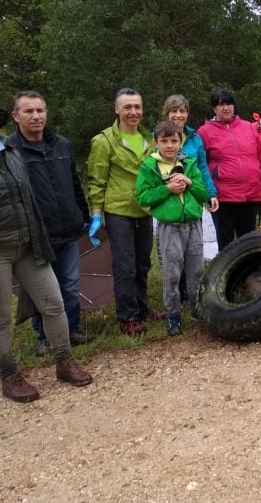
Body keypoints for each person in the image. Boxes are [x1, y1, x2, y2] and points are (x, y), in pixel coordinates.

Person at [0, 93, 92, 402]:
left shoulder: (11, 153)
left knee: (54, 304)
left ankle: (64, 361)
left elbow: (30, 198)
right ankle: (9, 377)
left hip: (29, 245)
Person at [7, 91, 92, 357]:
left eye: (40, 110)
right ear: (15, 115)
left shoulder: (61, 144)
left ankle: (72, 330)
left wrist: (83, 214)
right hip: (36, 234)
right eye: (29, 111)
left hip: (68, 228)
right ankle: (44, 338)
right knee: (41, 290)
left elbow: (75, 182)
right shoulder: (9, 150)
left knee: (69, 284)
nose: (36, 116)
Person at [88, 87, 160, 336]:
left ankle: (142, 308)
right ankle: (127, 316)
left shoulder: (149, 139)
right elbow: (97, 180)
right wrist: (96, 215)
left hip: (145, 208)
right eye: (127, 107)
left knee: (143, 263)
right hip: (119, 210)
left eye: (137, 107)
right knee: (125, 265)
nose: (133, 112)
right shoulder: (104, 140)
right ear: (116, 110)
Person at [136, 121, 208, 336]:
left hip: (194, 225)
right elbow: (142, 197)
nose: (169, 145)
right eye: (164, 141)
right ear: (156, 142)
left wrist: (189, 182)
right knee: (172, 272)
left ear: (181, 141)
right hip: (169, 227)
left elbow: (204, 194)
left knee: (196, 271)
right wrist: (167, 189)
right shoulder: (150, 167)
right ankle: (173, 315)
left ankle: (198, 310)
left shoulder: (190, 164)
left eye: (174, 141)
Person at [198, 89, 261, 252]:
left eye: (229, 103)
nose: (226, 108)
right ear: (213, 108)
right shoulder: (204, 132)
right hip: (224, 197)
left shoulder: (248, 127)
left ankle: (248, 274)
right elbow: (201, 164)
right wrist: (209, 192)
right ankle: (226, 275)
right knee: (226, 243)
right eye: (221, 104)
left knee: (249, 240)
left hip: (251, 194)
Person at [162, 94, 218, 213]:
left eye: (182, 111)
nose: (178, 115)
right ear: (167, 114)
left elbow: (203, 168)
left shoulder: (195, 139)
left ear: (187, 114)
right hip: (167, 201)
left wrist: (211, 193)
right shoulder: (157, 139)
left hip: (193, 198)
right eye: (174, 111)